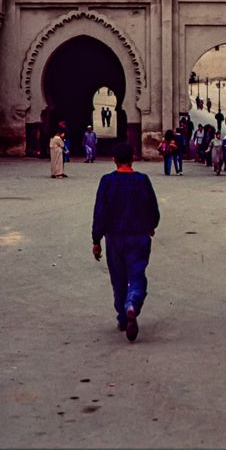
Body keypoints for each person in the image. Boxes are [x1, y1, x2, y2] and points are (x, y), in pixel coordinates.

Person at [91, 143, 160, 342]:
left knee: (118, 278)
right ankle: (132, 304)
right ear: (133, 158)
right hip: (139, 236)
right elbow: (153, 208)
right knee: (137, 275)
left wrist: (96, 239)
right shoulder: (142, 180)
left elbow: (100, 212)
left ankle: (123, 316)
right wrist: (151, 225)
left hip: (114, 238)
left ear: (113, 159)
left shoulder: (107, 181)